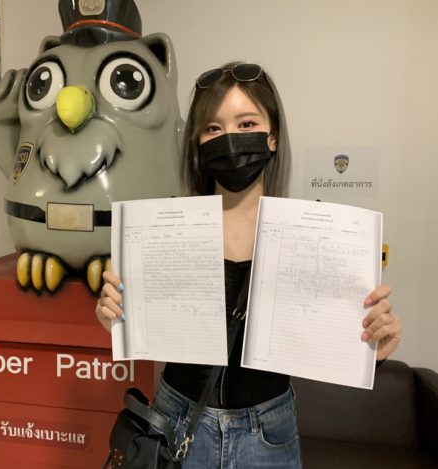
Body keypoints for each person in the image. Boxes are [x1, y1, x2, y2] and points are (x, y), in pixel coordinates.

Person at [95, 61, 402, 468]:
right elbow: (139, 325)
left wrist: (372, 346)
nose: (230, 139)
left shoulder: (314, 236)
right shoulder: (164, 229)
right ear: (198, 143)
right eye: (213, 128)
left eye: (246, 124)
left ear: (273, 137)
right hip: (175, 422)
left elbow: (332, 339)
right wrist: (116, 317)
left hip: (268, 432)